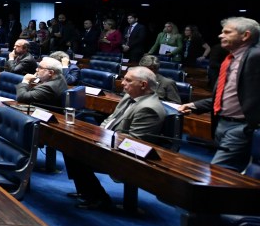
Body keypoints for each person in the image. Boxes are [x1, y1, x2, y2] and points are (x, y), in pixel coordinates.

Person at [66, 67, 166, 210]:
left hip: (129, 155)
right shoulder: (129, 96)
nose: (122, 83)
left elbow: (134, 142)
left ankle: (99, 198)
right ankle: (86, 191)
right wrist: (98, 134)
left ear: (143, 85)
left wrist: (100, 140)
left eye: (128, 80)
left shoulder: (149, 108)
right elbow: (110, 119)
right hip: (109, 140)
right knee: (69, 144)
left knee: (76, 152)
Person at [179, 17, 260, 171]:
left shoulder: (256, 56)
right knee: (230, 177)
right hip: (221, 123)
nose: (220, 35)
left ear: (245, 36)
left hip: (241, 127)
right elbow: (229, 95)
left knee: (218, 173)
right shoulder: (230, 59)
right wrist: (195, 105)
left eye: (227, 32)